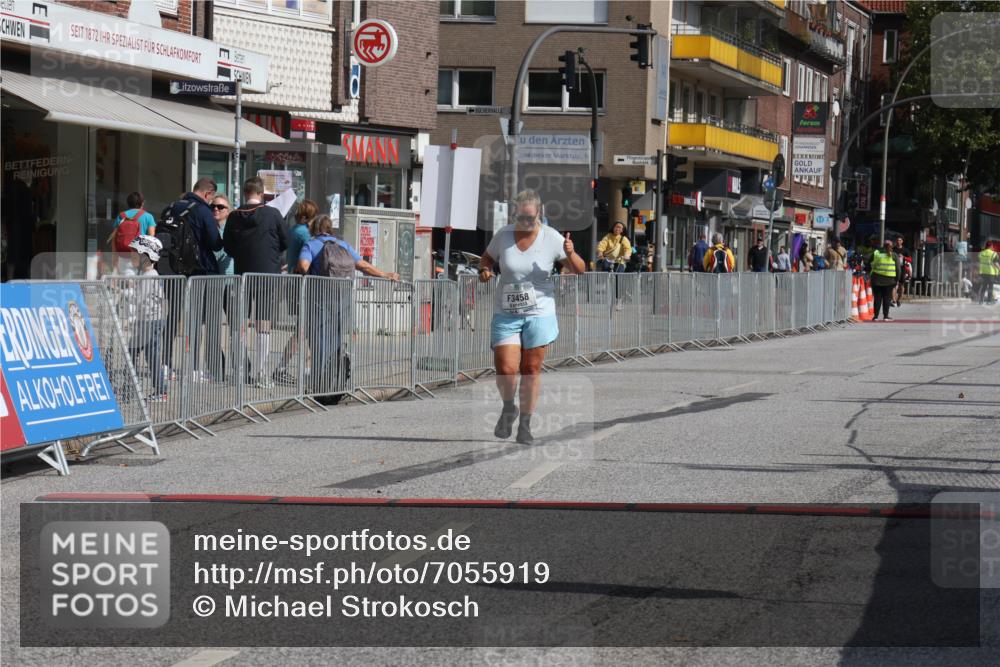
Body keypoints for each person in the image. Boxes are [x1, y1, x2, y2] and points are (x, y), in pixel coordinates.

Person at [478, 190, 586, 444]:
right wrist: (484, 270)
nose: (525, 222)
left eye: (530, 217)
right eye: (521, 217)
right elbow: (487, 259)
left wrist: (570, 253)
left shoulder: (552, 238)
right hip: (507, 312)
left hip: (540, 312)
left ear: (539, 214)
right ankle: (508, 407)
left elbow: (580, 270)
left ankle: (525, 424)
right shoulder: (503, 235)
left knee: (530, 369)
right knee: (505, 368)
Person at [297, 215, 398, 404]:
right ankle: (335, 385)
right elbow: (363, 266)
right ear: (330, 229)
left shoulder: (311, 245)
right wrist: (386, 274)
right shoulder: (344, 246)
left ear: (314, 230)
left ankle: (321, 388)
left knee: (320, 343)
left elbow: (303, 266)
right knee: (336, 342)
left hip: (319, 300)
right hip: (342, 301)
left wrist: (301, 274)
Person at [223, 177, 288, 389]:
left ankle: (241, 369)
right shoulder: (273, 214)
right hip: (268, 274)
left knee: (240, 322)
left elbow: (228, 247)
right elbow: (284, 241)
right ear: (261, 194)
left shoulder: (234, 216)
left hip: (243, 274)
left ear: (244, 193)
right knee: (264, 324)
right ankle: (261, 373)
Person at [273, 200, 316, 385]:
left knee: (305, 330)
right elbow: (313, 252)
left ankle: (304, 369)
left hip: (296, 283)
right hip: (302, 285)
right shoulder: (303, 233)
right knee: (304, 330)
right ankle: (285, 368)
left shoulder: (294, 230)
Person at [127, 235, 167, 402]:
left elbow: (139, 299)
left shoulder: (148, 276)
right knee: (144, 354)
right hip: (154, 320)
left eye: (134, 253)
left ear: (145, 255)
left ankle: (157, 391)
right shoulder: (152, 274)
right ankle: (131, 388)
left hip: (148, 322)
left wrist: (124, 291)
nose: (131, 256)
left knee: (140, 354)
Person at [166, 178, 223, 276]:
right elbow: (215, 243)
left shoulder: (170, 208)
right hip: (197, 268)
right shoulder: (203, 210)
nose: (210, 202)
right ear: (207, 194)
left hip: (170, 266)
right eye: (211, 198)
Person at [111, 192, 157, 276]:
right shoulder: (148, 216)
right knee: (147, 280)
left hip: (124, 254)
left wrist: (115, 256)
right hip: (141, 254)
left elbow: (114, 238)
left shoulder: (121, 216)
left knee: (128, 283)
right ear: (142, 203)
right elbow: (151, 237)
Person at [870, 239, 898, 321]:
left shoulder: (876, 254)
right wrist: (897, 279)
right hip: (889, 281)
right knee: (887, 298)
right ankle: (886, 316)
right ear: (891, 247)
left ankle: (875, 316)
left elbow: (869, 264)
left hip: (876, 280)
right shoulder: (894, 255)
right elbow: (898, 269)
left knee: (877, 298)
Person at [210, 194, 234, 276]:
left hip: (229, 278)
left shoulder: (233, 230)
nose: (215, 209)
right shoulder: (207, 230)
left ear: (228, 211)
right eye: (212, 206)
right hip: (210, 279)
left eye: (220, 207)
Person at [893, 235, 911, 306]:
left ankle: (899, 300)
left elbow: (910, 259)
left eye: (900, 240)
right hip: (893, 268)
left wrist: (904, 257)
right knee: (893, 285)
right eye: (897, 240)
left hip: (902, 268)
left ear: (902, 242)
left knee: (901, 285)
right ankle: (894, 300)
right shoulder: (893, 249)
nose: (898, 242)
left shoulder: (905, 250)